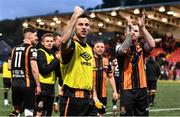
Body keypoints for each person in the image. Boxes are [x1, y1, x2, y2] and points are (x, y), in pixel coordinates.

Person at [59, 6, 99, 116]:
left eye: (87, 25)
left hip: (88, 100)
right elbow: (63, 42)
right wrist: (74, 16)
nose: (84, 27)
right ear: (75, 27)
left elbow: (90, 76)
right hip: (71, 99)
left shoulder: (89, 49)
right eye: (80, 24)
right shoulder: (71, 46)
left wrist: (95, 97)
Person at [115, 13, 155, 116]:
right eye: (130, 30)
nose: (133, 32)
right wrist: (130, 32)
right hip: (126, 90)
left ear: (139, 34)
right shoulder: (118, 46)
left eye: (136, 31)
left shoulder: (141, 46)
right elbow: (123, 50)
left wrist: (143, 28)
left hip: (142, 89)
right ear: (125, 33)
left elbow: (152, 44)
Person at [8, 27, 41, 116]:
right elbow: (34, 69)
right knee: (29, 111)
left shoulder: (14, 49)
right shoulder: (32, 49)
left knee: (16, 110)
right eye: (35, 36)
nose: (37, 38)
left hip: (15, 84)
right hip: (27, 85)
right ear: (29, 36)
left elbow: (9, 67)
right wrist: (38, 84)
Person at [35, 33, 60, 116]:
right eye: (47, 41)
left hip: (51, 87)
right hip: (42, 87)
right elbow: (44, 70)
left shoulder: (51, 53)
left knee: (48, 113)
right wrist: (56, 59)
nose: (49, 43)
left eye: (51, 41)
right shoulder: (40, 52)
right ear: (42, 43)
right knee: (39, 112)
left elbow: (57, 72)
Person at [93, 40, 118, 116]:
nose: (100, 48)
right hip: (90, 94)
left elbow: (110, 77)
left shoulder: (106, 61)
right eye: (98, 47)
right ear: (94, 49)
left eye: (102, 47)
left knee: (101, 114)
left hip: (103, 94)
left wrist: (114, 91)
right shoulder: (89, 60)